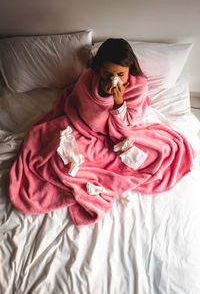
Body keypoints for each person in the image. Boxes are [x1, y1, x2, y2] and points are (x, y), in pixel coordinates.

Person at [8, 38, 195, 227]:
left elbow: (128, 123)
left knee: (160, 151)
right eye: (107, 73)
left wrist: (119, 100)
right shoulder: (89, 78)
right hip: (87, 128)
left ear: (130, 70)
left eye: (120, 74)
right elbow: (89, 118)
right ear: (100, 69)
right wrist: (104, 98)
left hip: (121, 131)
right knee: (60, 156)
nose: (114, 78)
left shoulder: (139, 85)